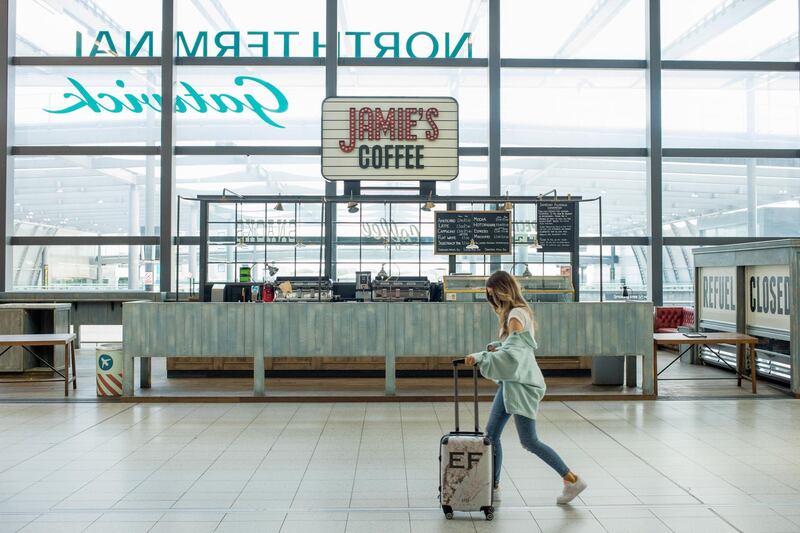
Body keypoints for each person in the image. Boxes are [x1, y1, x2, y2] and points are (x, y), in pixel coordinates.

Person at [465, 270, 587, 505]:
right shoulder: (518, 313)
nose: (493, 301)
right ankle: (495, 486)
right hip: (513, 383)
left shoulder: (515, 316)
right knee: (491, 435)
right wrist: (496, 347)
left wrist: (481, 356)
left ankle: (571, 479)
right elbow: (513, 349)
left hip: (520, 384)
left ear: (503, 290)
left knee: (529, 440)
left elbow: (514, 358)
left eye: (493, 295)